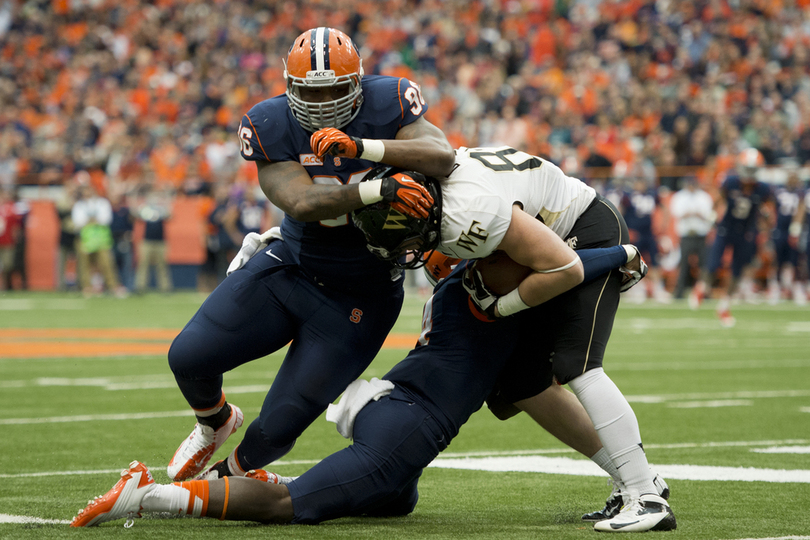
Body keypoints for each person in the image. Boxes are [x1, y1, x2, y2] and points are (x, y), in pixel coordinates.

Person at [71, 211, 660, 529]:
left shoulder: (456, 286)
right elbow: (562, 269)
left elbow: (513, 390)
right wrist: (620, 253)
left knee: (398, 501)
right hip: (405, 425)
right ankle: (149, 498)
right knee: (291, 507)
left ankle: (269, 468)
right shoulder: (481, 282)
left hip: (394, 403)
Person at [165, 27, 455, 484]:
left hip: (361, 295)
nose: (323, 104)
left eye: (336, 89)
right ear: (288, 86)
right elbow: (300, 202)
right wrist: (379, 186)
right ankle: (215, 421)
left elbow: (442, 155)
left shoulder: (390, 99)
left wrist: (365, 148)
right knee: (188, 357)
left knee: (280, 424)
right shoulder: (269, 122)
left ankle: (222, 481)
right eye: (308, 91)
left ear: (358, 82)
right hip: (293, 265)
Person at [351, 148, 675, 532]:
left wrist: (502, 307)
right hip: (553, 239)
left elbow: (563, 266)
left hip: (582, 231)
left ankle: (646, 496)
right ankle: (635, 480)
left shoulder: (468, 214)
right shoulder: (447, 188)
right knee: (520, 384)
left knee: (578, 364)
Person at [689, 148, 773, 326]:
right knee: (713, 264)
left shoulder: (763, 189)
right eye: (747, 169)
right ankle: (701, 288)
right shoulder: (731, 181)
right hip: (726, 228)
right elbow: (720, 198)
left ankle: (724, 306)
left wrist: (765, 220)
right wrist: (713, 215)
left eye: (753, 169)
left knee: (737, 271)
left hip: (747, 232)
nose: (749, 174)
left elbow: (767, 211)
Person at [71, 180, 128, 298]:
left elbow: (105, 219)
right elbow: (77, 222)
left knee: (107, 263)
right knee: (84, 265)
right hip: (85, 239)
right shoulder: (79, 205)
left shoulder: (102, 203)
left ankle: (113, 286)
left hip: (102, 240)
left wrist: (89, 221)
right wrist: (93, 220)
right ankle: (87, 287)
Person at [669, 176, 714, 300]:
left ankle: (704, 292)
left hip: (701, 234)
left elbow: (709, 215)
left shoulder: (704, 196)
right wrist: (692, 214)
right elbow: (676, 213)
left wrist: (695, 214)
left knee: (704, 265)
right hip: (686, 235)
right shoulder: (679, 196)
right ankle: (680, 292)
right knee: (683, 264)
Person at [766, 165, 806, 305]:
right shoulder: (778, 191)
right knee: (778, 261)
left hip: (793, 231)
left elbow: (801, 208)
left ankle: (795, 288)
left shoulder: (801, 192)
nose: (792, 179)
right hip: (779, 230)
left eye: (795, 176)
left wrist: (796, 228)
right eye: (791, 176)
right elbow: (770, 208)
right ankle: (776, 287)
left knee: (795, 261)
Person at [133, 185, 173, 294]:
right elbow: (135, 213)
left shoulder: (161, 209)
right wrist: (133, 197)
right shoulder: (145, 208)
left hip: (161, 241)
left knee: (162, 265)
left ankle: (165, 288)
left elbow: (170, 215)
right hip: (147, 241)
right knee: (143, 265)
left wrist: (168, 199)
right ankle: (140, 287)